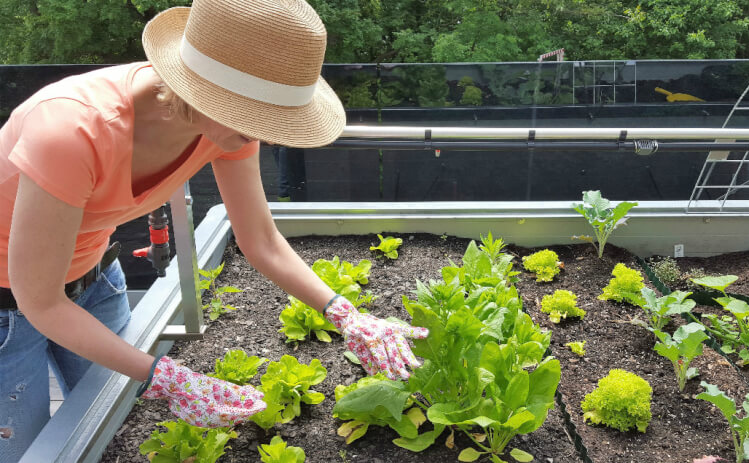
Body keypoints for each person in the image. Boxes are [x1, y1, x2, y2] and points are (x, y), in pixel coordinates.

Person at [0, 0, 428, 460]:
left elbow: (260, 240)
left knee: (104, 423)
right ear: (202, 91)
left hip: (96, 278)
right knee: (28, 449)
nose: (269, 133)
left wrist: (344, 312)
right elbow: (40, 300)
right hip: (9, 305)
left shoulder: (225, 127)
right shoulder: (71, 130)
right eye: (256, 116)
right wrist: (166, 377)